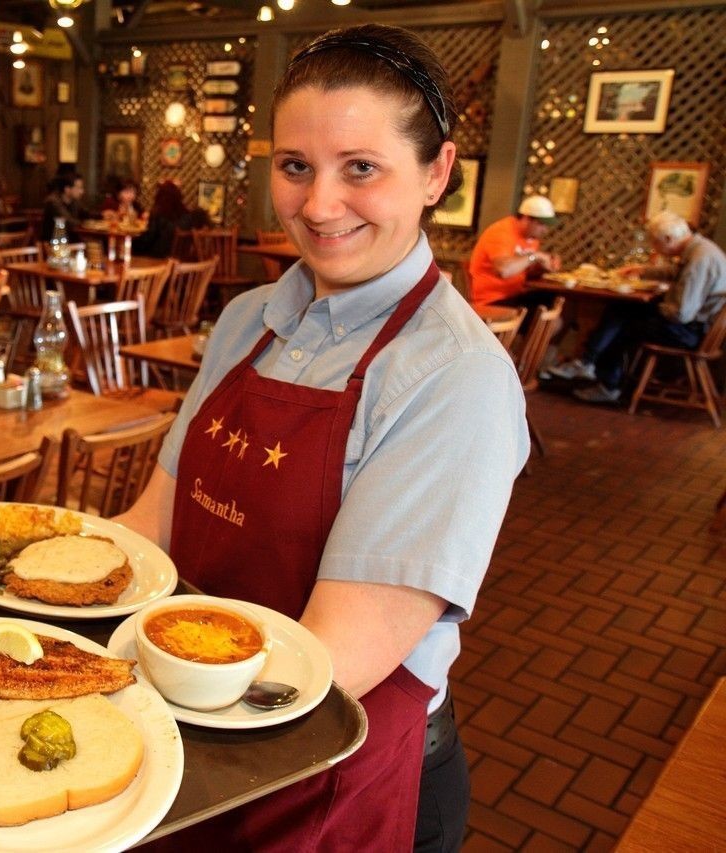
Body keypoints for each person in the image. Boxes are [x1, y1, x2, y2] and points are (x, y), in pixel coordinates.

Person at [112, 24, 528, 852]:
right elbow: (153, 524)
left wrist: (109, 685)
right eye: (295, 166)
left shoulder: (455, 378)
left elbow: (331, 662)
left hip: (335, 769)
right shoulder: (246, 321)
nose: (318, 204)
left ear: (437, 172)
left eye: (361, 168)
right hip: (196, 732)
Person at [549, 211, 726, 403]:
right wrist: (643, 272)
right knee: (621, 308)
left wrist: (657, 304)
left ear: (668, 239)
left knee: (625, 326)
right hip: (697, 326)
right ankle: (587, 362)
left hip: (692, 332)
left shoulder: (699, 260)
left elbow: (681, 313)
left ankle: (607, 383)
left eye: (656, 243)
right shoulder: (700, 249)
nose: (655, 249)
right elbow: (675, 272)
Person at [467, 195, 562, 308]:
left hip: (513, 295)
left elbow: (524, 270)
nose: (545, 230)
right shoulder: (501, 232)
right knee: (547, 306)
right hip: (491, 300)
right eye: (542, 224)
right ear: (526, 219)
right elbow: (503, 271)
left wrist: (544, 267)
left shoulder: (531, 238)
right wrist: (535, 256)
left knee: (551, 299)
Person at [131, 180, 208, 258]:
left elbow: (148, 239)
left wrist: (132, 243)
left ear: (159, 197)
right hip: (179, 258)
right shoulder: (186, 216)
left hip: (158, 258)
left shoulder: (158, 215)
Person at [40, 172, 87, 241]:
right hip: (53, 245)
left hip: (70, 242)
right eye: (78, 188)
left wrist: (102, 215)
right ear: (67, 189)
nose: (82, 192)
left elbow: (86, 214)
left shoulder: (74, 201)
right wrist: (87, 224)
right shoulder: (53, 201)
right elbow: (69, 222)